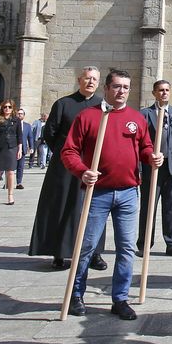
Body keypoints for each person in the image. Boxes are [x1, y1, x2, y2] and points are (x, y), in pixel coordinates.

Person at [61, 69, 163, 320]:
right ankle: (76, 294)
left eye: (126, 87)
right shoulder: (88, 117)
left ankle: (120, 298)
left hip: (128, 192)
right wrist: (82, 171)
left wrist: (152, 157)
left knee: (126, 248)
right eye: (117, 87)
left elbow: (145, 146)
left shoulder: (136, 118)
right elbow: (69, 152)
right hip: (97, 193)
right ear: (106, 88)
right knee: (86, 246)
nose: (122, 92)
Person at [30, 67, 107, 271]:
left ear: (99, 83)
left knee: (93, 207)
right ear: (79, 80)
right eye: (87, 78)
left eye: (94, 79)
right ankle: (60, 252)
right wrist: (66, 154)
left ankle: (94, 253)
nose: (91, 82)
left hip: (92, 163)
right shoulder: (64, 104)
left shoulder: (102, 106)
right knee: (63, 205)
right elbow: (51, 133)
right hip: (65, 166)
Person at [136, 80, 172, 258]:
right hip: (152, 167)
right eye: (160, 90)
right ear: (154, 93)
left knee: (171, 207)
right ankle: (144, 243)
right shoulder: (145, 114)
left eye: (167, 90)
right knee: (148, 206)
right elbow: (138, 142)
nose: (164, 93)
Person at [15, 108, 33, 189]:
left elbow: (30, 137)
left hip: (23, 149)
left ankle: (19, 183)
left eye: (21, 114)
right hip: (13, 148)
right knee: (10, 167)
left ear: (24, 115)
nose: (19, 115)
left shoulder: (27, 126)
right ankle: (8, 182)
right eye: (18, 113)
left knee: (20, 167)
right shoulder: (13, 124)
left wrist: (31, 147)